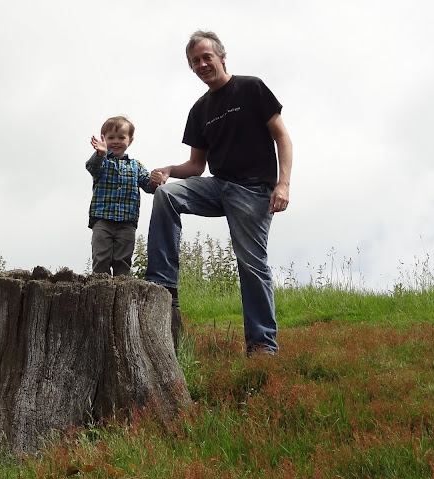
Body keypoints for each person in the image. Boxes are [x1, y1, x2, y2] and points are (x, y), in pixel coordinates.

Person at [146, 31, 293, 355]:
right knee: (167, 196)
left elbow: (282, 136)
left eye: (206, 57)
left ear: (222, 58)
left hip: (253, 191)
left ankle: (262, 346)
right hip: (217, 186)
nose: (201, 64)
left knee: (251, 264)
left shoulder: (251, 88)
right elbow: (196, 166)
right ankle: (163, 285)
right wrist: (169, 170)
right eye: (195, 61)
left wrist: (283, 184)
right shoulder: (199, 110)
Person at [86, 115, 155, 276]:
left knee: (123, 259)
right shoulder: (103, 161)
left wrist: (155, 180)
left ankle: (122, 286)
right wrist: (100, 153)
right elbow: (92, 167)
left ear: (130, 140)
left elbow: (148, 185)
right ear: (103, 139)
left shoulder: (136, 166)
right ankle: (100, 285)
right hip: (102, 219)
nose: (116, 141)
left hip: (127, 222)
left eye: (121, 137)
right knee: (101, 256)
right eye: (111, 138)